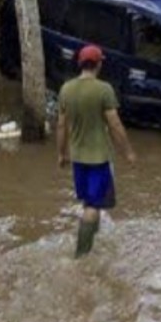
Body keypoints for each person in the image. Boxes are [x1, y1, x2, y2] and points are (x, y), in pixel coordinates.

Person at [56, 45, 136, 258]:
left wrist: (61, 153)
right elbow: (115, 124)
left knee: (90, 202)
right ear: (98, 64)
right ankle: (81, 256)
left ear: (80, 64)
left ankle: (93, 244)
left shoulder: (66, 89)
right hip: (99, 159)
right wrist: (127, 152)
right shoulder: (104, 89)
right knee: (93, 206)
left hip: (77, 159)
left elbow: (61, 125)